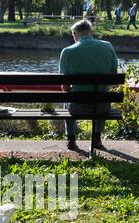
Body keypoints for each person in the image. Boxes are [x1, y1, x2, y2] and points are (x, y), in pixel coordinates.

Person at [59, 19, 118, 150]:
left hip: (77, 108)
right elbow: (114, 82)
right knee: (102, 95)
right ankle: (96, 138)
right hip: (102, 107)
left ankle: (71, 139)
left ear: (75, 34)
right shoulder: (108, 46)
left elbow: (65, 87)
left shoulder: (67, 52)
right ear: (90, 32)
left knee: (66, 98)